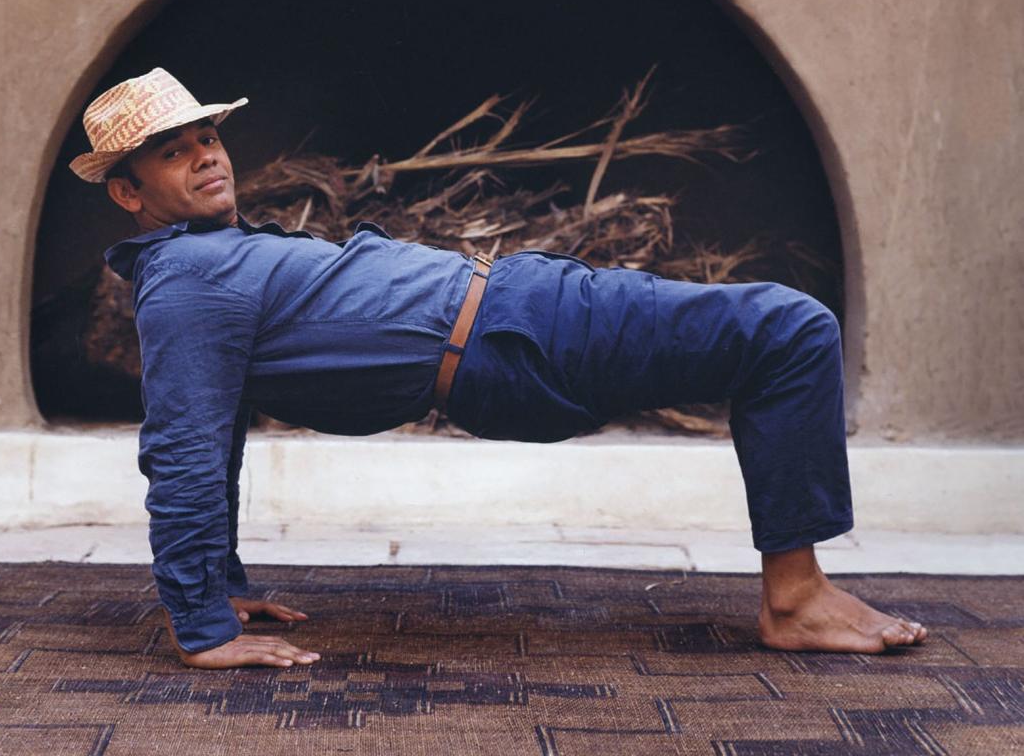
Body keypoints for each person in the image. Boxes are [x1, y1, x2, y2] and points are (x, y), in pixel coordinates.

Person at [70, 67, 928, 671]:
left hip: (520, 304)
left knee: (771, 339)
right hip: (513, 341)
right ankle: (797, 599)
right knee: (791, 327)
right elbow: (186, 446)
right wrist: (199, 621)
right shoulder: (186, 283)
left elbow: (219, 431)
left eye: (208, 136)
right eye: (174, 151)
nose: (207, 155)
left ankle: (800, 589)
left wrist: (223, 587)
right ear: (129, 192)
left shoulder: (216, 252)